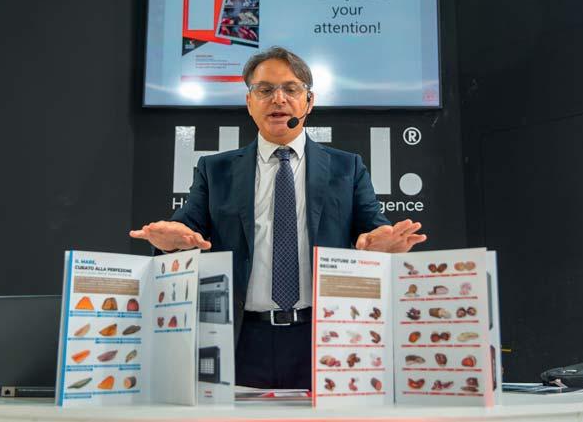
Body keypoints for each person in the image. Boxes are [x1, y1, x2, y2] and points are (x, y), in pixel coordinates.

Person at [130, 46, 427, 389]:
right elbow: (186, 228)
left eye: (291, 89)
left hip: (323, 336)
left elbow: (371, 228)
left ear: (309, 102)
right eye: (265, 89)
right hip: (240, 337)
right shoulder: (216, 170)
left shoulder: (347, 167)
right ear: (249, 102)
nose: (278, 99)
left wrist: (378, 243)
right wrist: (171, 241)